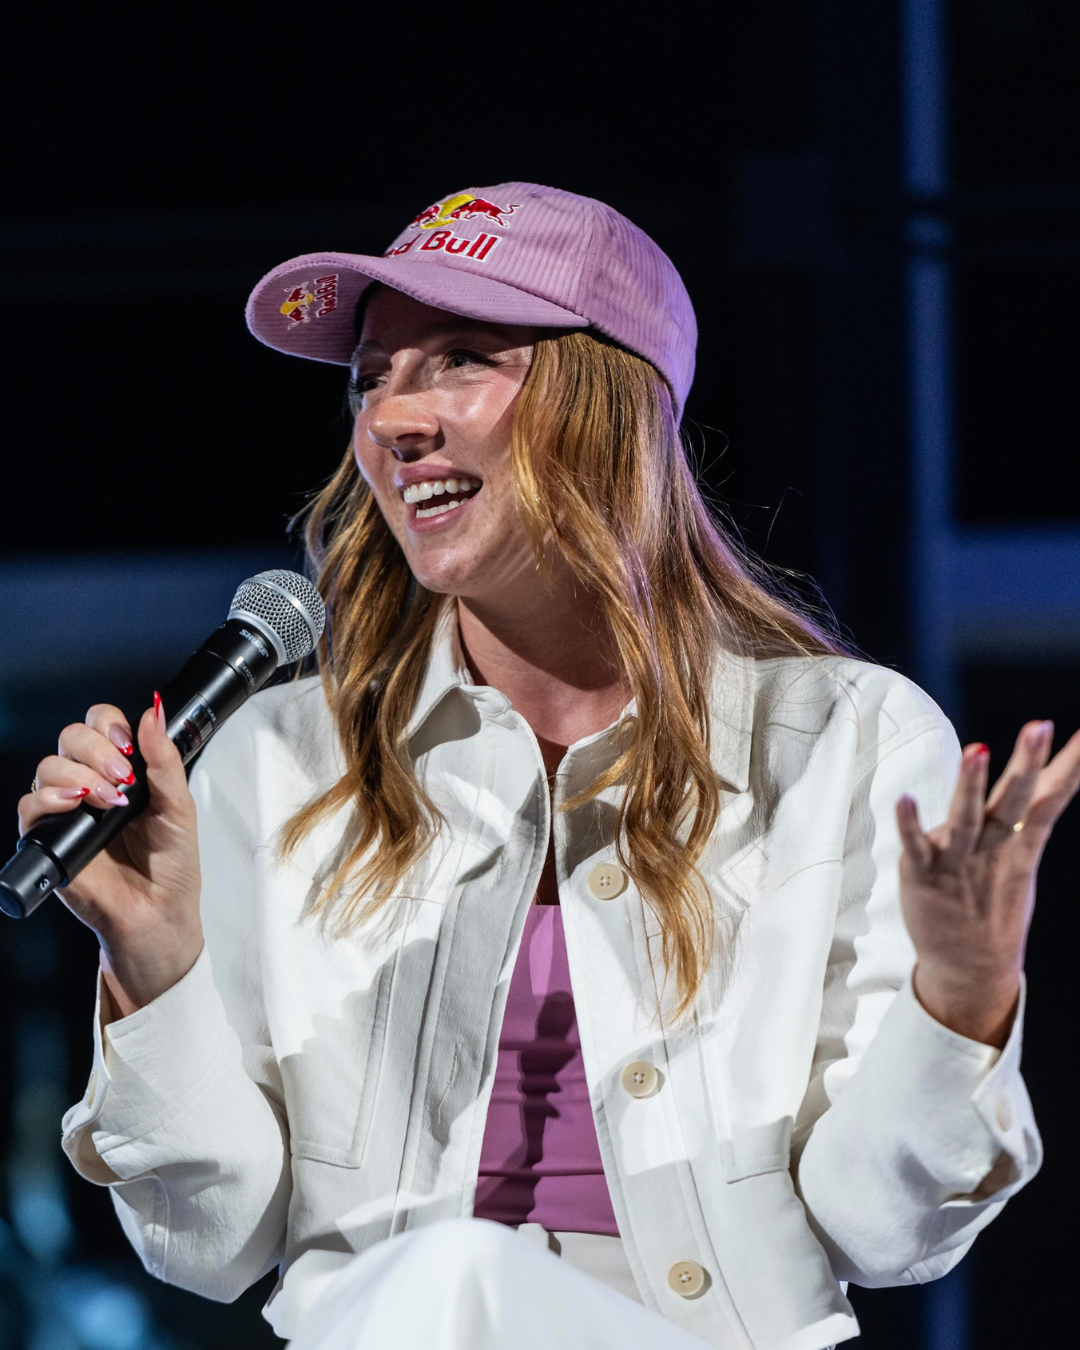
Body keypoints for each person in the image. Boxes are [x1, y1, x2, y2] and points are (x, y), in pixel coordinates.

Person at [26, 182, 1078, 1350]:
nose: (391, 420)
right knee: (451, 1281)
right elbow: (209, 1243)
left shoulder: (849, 741)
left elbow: (887, 1231)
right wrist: (153, 959)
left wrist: (964, 998)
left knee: (459, 1277)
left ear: (609, 401)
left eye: (459, 359)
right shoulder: (277, 762)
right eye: (372, 377)